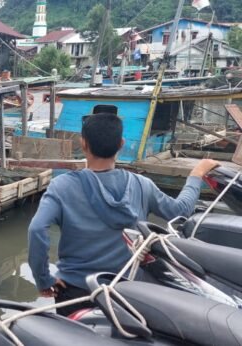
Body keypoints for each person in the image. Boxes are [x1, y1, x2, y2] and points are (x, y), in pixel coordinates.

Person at [27, 113, 219, 317]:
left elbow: (37, 229)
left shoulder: (62, 186)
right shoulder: (142, 185)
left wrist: (43, 279)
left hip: (75, 291)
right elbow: (180, 211)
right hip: (127, 290)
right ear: (121, 144)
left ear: (83, 144)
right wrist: (196, 175)